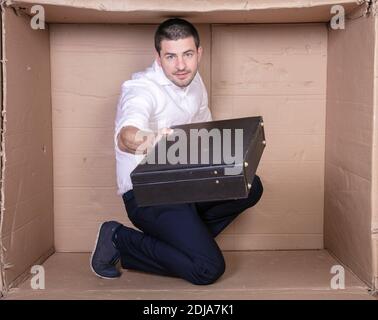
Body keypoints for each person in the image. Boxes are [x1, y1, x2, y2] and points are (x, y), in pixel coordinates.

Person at [90, 18, 263, 285]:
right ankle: (118, 239)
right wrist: (147, 140)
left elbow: (204, 133)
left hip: (185, 180)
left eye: (188, 54)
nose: (181, 65)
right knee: (207, 269)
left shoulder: (195, 82)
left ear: (199, 54)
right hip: (148, 193)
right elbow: (126, 136)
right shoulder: (140, 89)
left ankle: (186, 242)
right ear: (158, 58)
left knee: (250, 184)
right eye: (171, 56)